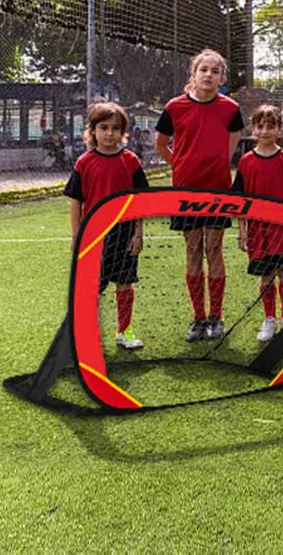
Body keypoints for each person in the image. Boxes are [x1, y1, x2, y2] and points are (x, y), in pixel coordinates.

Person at [155, 49, 244, 343]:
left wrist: (218, 165)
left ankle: (216, 317)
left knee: (214, 250)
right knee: (193, 250)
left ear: (222, 78)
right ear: (193, 74)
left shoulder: (230, 109)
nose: (208, 75)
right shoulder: (174, 107)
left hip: (218, 190)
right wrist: (180, 165)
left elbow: (233, 141)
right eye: (203, 69)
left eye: (214, 71)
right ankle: (198, 318)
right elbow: (162, 144)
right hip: (185, 192)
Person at [64, 101, 148, 351]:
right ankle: (85, 334)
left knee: (124, 282)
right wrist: (76, 234)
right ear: (92, 130)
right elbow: (76, 201)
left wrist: (138, 233)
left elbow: (140, 201)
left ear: (123, 132)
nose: (109, 133)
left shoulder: (131, 161)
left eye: (115, 128)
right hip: (94, 233)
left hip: (124, 232)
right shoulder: (84, 162)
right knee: (91, 287)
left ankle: (124, 331)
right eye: (104, 127)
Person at [233, 104, 283, 342]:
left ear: (279, 129)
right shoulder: (245, 162)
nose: (265, 131)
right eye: (260, 126)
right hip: (258, 229)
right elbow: (240, 201)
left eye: (271, 126)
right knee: (266, 276)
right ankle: (269, 319)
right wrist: (242, 230)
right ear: (252, 129)